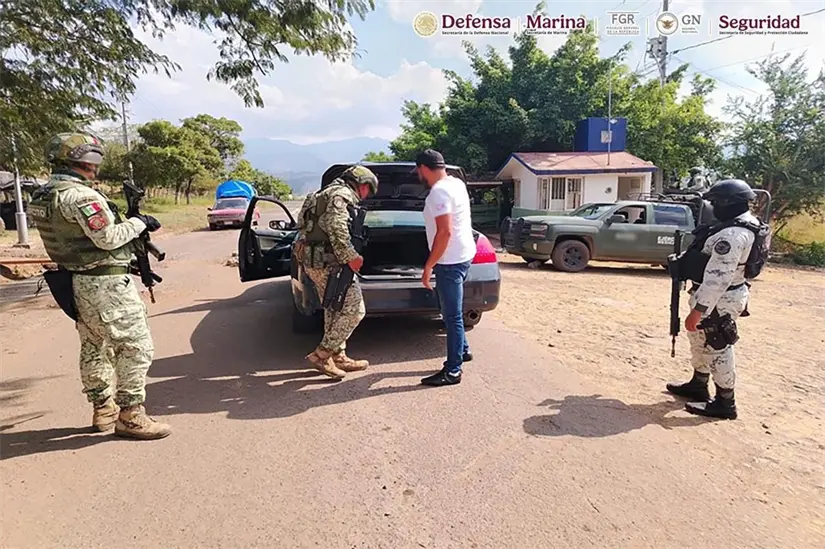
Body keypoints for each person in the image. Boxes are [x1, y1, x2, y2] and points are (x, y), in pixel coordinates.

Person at [26, 132, 171, 439]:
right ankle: (131, 416)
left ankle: (102, 409)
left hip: (74, 281)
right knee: (135, 346)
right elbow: (107, 238)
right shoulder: (81, 197)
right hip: (104, 285)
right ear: (85, 160)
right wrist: (140, 222)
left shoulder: (42, 195)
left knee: (95, 347)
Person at [666, 179, 762, 420]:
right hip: (718, 296)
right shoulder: (743, 224)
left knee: (717, 347)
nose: (713, 208)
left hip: (718, 300)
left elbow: (718, 277)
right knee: (700, 341)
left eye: (716, 203)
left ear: (729, 203)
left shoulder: (732, 235)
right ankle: (698, 384)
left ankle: (724, 402)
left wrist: (698, 310)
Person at [295, 165, 379, 380]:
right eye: (368, 190)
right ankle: (322, 355)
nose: (367, 195)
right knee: (355, 310)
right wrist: (351, 257)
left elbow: (302, 225)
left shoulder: (319, 194)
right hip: (330, 263)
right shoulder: (341, 195)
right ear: (361, 184)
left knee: (334, 308)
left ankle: (338, 355)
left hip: (315, 261)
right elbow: (337, 227)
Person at [414, 149, 477, 387]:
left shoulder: (438, 192)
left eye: (418, 170)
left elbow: (445, 231)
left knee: (452, 316)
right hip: (464, 255)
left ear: (423, 168)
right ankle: (463, 350)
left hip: (449, 261)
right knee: (449, 308)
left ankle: (453, 371)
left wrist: (429, 266)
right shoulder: (456, 183)